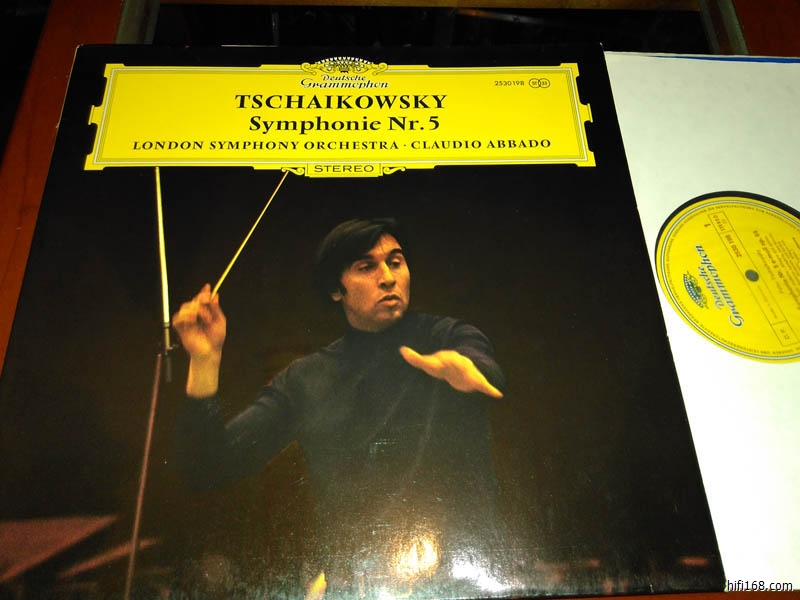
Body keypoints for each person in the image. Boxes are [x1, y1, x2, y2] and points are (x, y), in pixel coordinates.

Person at [172, 218, 510, 598]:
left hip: (461, 586)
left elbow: (484, 367)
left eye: (396, 262)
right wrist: (204, 360)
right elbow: (207, 466)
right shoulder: (306, 379)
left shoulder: (448, 336)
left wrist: (467, 369)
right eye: (366, 267)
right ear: (336, 289)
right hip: (359, 588)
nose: (388, 278)